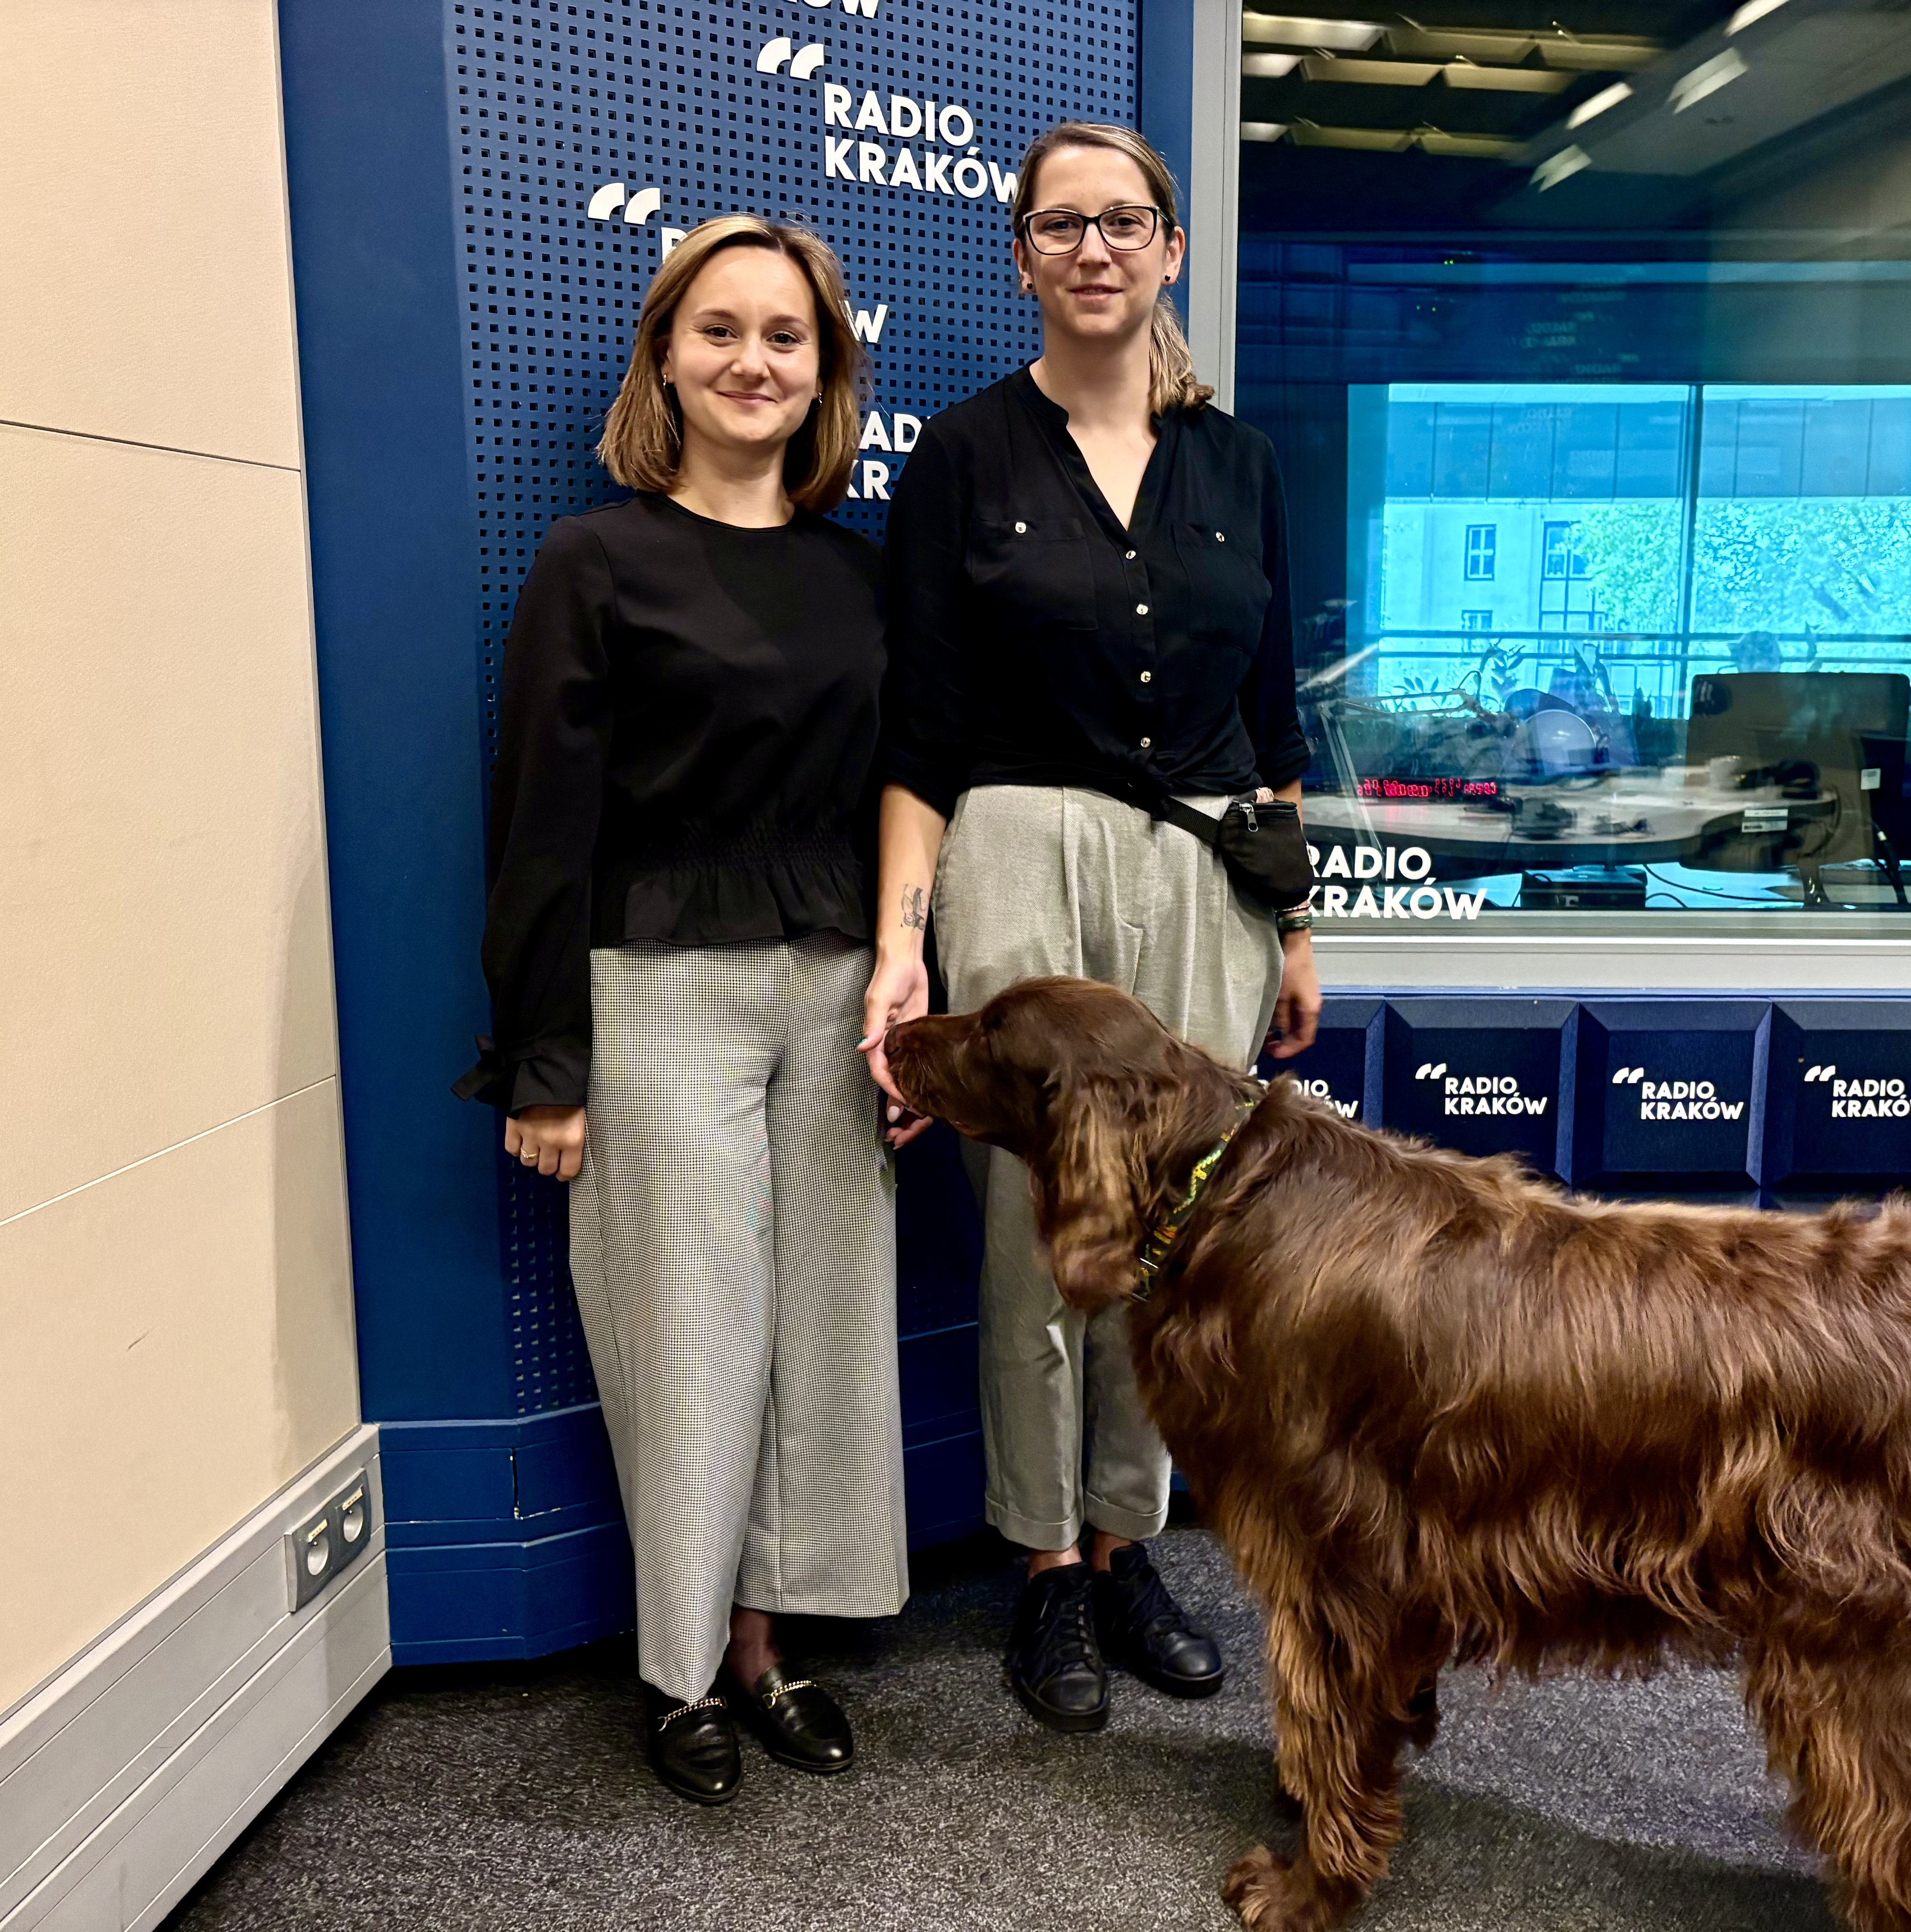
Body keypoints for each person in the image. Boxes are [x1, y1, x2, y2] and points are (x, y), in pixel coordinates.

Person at [861, 122, 1321, 1734]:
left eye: (1125, 221)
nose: (1095, 250)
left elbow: (1274, 726)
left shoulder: (1242, 463)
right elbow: (918, 731)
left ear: (1171, 246)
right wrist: (904, 940)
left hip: (1203, 867)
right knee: (1031, 1228)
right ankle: (1044, 1560)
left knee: (1178, 1224)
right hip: (1019, 855)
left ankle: (1134, 1538)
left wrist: (1302, 931)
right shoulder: (967, 456)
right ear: (1024, 259)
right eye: (1061, 226)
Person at [457, 216, 904, 1803]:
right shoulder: (598, 560)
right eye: (720, 331)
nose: (752, 362)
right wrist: (545, 1064)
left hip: (836, 985)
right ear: (666, 355)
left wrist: (906, 1007)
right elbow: (540, 824)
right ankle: (680, 1667)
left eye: (786, 337)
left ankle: (771, 1648)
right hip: (658, 993)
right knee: (686, 1338)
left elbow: (905, 802)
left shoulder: (863, 575)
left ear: (825, 371)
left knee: (822, 1332)